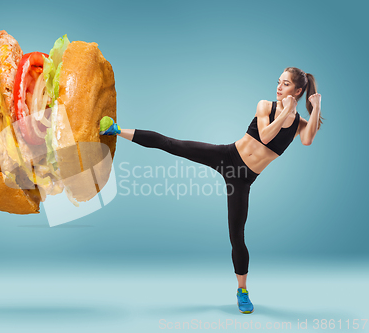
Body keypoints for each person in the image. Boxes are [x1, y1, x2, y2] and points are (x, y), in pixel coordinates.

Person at [99, 67, 323, 314]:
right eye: (278, 82)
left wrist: (317, 105)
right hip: (228, 156)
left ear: (298, 91)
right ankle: (117, 130)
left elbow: (308, 138)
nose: (279, 87)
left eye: (286, 84)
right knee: (173, 145)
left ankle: (242, 290)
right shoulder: (265, 106)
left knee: (236, 235)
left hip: (243, 179)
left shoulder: (299, 124)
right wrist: (285, 112)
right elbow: (266, 136)